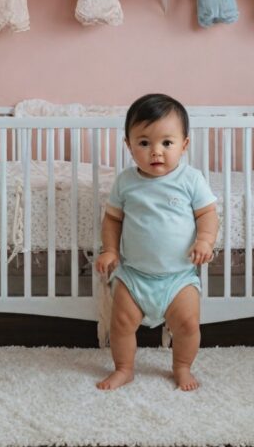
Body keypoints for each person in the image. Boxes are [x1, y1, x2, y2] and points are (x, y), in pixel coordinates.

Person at [94, 93, 219, 391]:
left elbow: (208, 214)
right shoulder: (126, 181)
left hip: (179, 277)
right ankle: (124, 368)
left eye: (167, 142)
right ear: (128, 145)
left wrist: (205, 241)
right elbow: (113, 219)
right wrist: (110, 249)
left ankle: (181, 367)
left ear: (184, 145)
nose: (156, 152)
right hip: (134, 275)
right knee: (121, 324)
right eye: (144, 142)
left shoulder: (190, 179)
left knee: (188, 325)